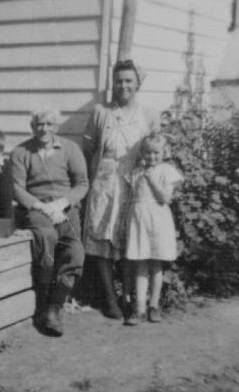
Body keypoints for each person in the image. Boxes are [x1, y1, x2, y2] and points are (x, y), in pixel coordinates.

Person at [82, 59, 158, 319]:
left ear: (138, 83)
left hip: (134, 184)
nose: (123, 85)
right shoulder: (101, 112)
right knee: (102, 237)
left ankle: (130, 297)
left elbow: (155, 148)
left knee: (130, 238)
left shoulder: (148, 114)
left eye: (128, 80)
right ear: (113, 83)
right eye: (119, 80)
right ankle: (110, 299)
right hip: (105, 182)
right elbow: (89, 149)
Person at [10, 107, 89, 337]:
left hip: (64, 208)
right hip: (36, 208)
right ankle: (42, 304)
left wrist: (62, 204)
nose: (43, 129)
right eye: (38, 124)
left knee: (75, 251)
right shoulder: (21, 152)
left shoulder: (70, 149)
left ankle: (55, 308)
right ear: (32, 127)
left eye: (48, 124)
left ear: (56, 126)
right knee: (46, 237)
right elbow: (17, 188)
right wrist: (42, 207)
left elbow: (82, 184)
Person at [121, 132, 182, 325]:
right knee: (140, 265)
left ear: (163, 152)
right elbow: (131, 197)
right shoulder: (136, 171)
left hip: (158, 222)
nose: (152, 157)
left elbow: (164, 198)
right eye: (148, 153)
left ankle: (154, 305)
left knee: (156, 265)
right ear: (142, 153)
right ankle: (139, 308)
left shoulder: (166, 170)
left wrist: (152, 180)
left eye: (156, 153)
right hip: (139, 222)